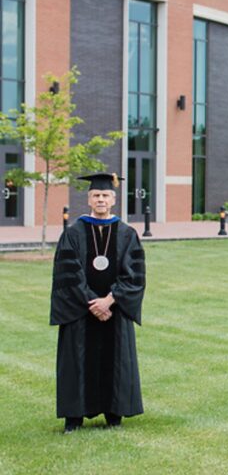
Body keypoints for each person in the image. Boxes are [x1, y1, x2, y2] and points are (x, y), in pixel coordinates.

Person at [51, 173, 146, 432]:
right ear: (89, 199)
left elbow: (134, 275)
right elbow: (68, 274)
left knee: (115, 361)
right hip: (81, 311)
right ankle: (74, 417)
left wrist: (110, 300)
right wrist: (93, 303)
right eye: (96, 195)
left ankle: (114, 415)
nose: (101, 199)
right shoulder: (72, 234)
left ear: (113, 200)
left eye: (105, 195)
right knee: (76, 360)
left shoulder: (127, 234)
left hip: (114, 310)